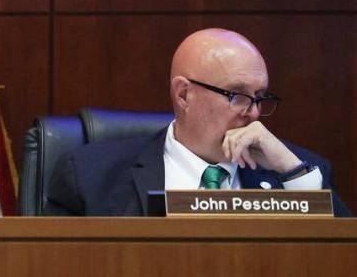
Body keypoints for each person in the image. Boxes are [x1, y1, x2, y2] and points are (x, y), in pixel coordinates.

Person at [46, 28, 351, 217]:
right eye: (237, 95)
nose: (254, 114)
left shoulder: (297, 174)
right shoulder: (89, 176)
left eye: (259, 97)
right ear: (184, 95)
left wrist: (290, 170)